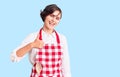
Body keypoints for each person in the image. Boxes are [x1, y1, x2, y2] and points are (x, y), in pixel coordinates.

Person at [10, 4, 71, 77]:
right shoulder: (33, 36)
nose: (53, 20)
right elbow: (14, 56)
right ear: (45, 15)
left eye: (57, 18)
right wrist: (32, 44)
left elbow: (66, 67)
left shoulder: (62, 39)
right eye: (51, 16)